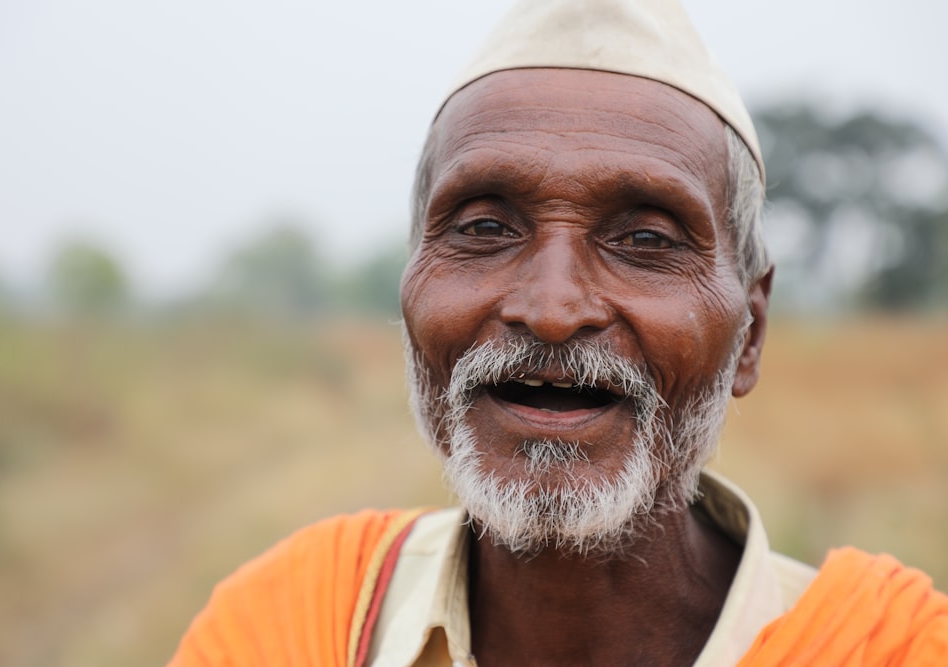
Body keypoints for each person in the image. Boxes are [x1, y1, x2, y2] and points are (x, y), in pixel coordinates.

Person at [169, 1, 948, 664]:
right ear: (410, 290)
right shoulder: (289, 628)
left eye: (646, 239)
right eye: (484, 227)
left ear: (751, 331)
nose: (550, 309)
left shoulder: (888, 647)